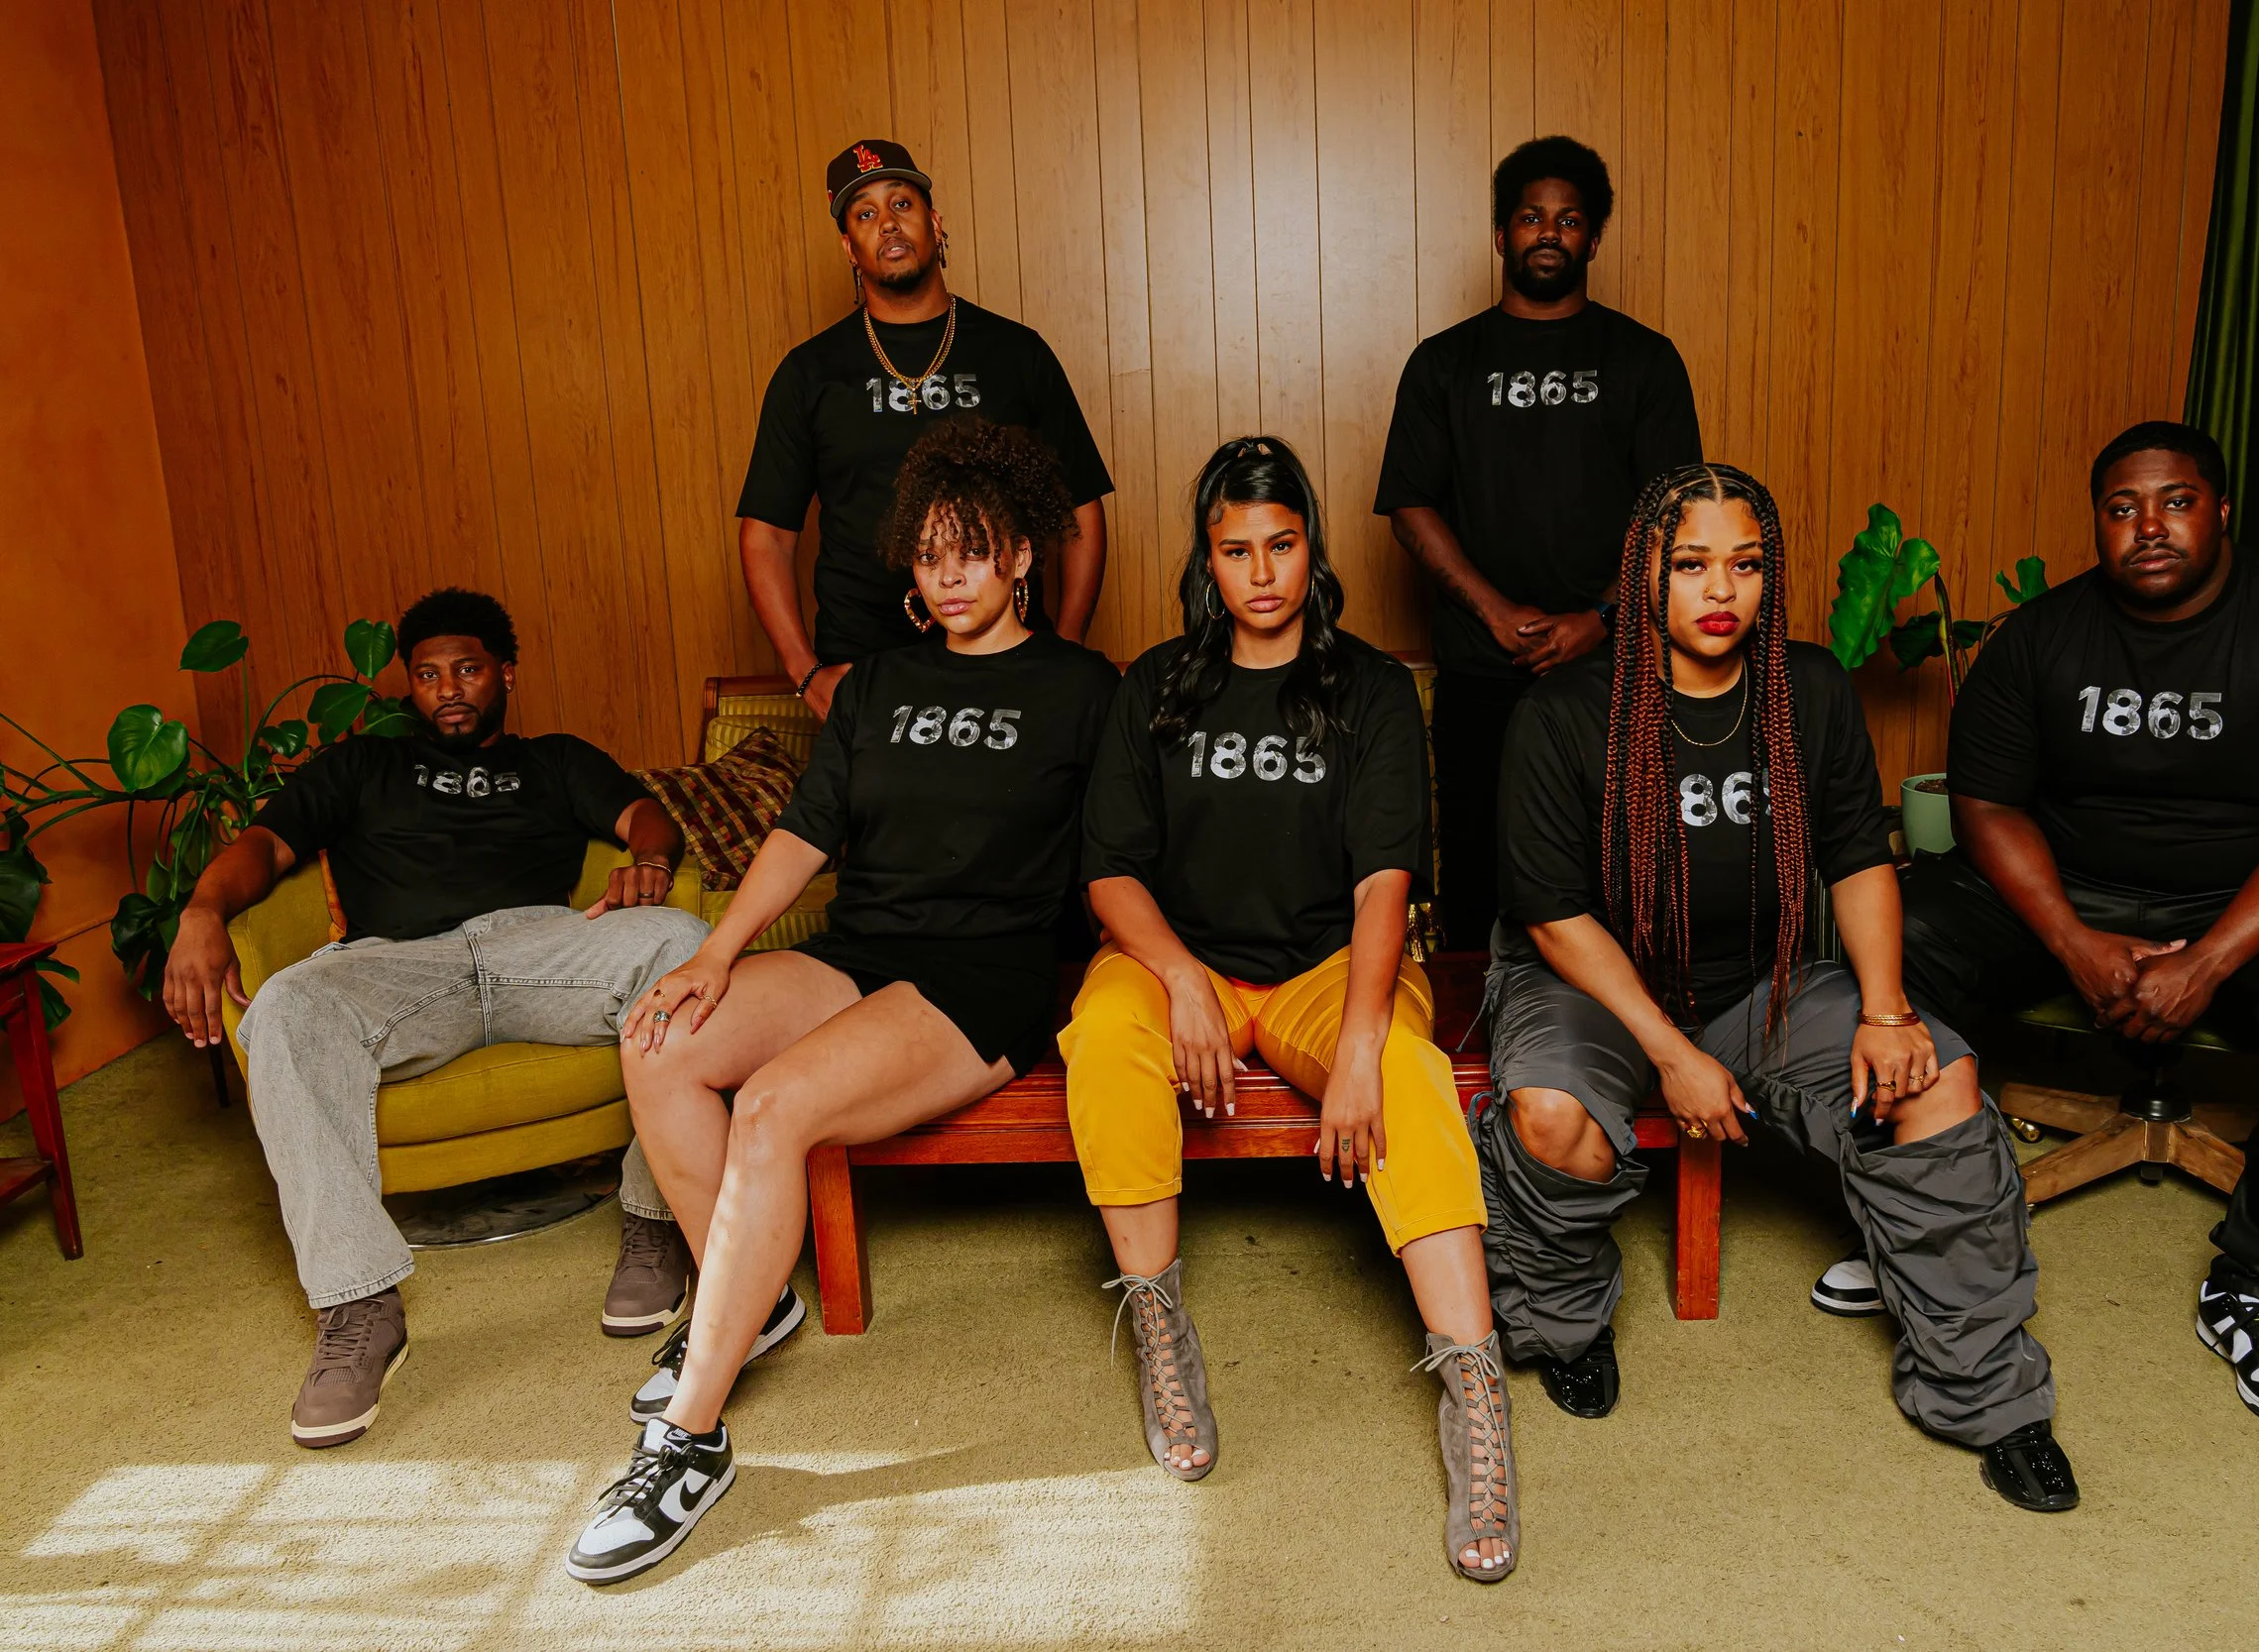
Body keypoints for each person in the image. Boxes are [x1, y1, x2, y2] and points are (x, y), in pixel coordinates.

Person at [566, 420, 1121, 1585]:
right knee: (659, 1038)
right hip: (866, 947)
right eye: (928, 554)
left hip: (988, 975)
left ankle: (689, 1439)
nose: (950, 573)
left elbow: (1123, 857)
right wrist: (716, 953)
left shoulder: (1082, 689)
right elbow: (807, 828)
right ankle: (751, 1293)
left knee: (772, 1105)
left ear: (1023, 552)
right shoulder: (877, 684)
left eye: (972, 548)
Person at [1481, 463, 2080, 1512]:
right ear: (1643, 575)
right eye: (1693, 564)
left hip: (1759, 980)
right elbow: (1550, 913)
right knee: (1549, 1115)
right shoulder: (1565, 711)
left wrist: (1888, 1010)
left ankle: (1987, 1392)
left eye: (1746, 564)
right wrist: (1671, 1055)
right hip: (1591, 989)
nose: (1723, 589)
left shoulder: (1805, 689)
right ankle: (1563, 1319)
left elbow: (1855, 854)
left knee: (1938, 1081)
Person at [1899, 420, 2259, 1435]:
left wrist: (2215, 956)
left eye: (2175, 501)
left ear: (2220, 510)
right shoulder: (2041, 636)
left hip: (2252, 906)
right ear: (2097, 521)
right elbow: (1988, 804)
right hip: (2071, 889)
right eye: (2122, 506)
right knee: (1898, 929)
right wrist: (2070, 939)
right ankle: (1920, 1218)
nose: (2149, 526)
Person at [1061, 437, 1517, 1582]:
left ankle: (1473, 1386)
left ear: (1310, 548)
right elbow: (1110, 867)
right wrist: (1173, 978)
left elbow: (1385, 880)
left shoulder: (1365, 685)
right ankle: (1161, 1324)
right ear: (1205, 560)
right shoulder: (1152, 682)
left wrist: (1362, 1037)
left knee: (1409, 1077)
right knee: (1101, 1035)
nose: (1259, 571)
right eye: (1233, 549)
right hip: (1188, 960)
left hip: (1328, 966)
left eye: (1280, 543)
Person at [160, 589, 708, 1449]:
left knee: (683, 942)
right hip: (399, 963)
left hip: (540, 946)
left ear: (505, 674)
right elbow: (264, 847)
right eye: (427, 674)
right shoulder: (360, 767)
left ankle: (655, 1220)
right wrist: (199, 913)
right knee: (287, 1007)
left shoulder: (555, 758)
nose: (448, 687)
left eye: (468, 669)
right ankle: (358, 1302)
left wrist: (648, 859)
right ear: (407, 686)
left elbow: (646, 816)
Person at [1377, 135, 1702, 949]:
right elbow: (1409, 505)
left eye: (1568, 219)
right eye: (1530, 217)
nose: (1548, 233)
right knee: (1484, 878)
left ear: (1593, 239)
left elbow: (1674, 517)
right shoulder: (1443, 364)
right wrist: (1492, 612)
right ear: (1501, 236)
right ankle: (1481, 1055)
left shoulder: (1645, 361)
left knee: (1614, 871)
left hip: (1613, 672)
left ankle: (1614, 1046)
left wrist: (1599, 618)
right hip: (1484, 672)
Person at [737, 138, 1115, 722]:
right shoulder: (809, 374)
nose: (886, 223)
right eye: (864, 214)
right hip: (865, 672)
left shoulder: (1016, 353)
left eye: (902, 204)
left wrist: (1062, 651)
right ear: (849, 246)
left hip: (1006, 663)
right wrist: (806, 674)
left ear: (935, 224)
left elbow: (1081, 513)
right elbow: (767, 536)